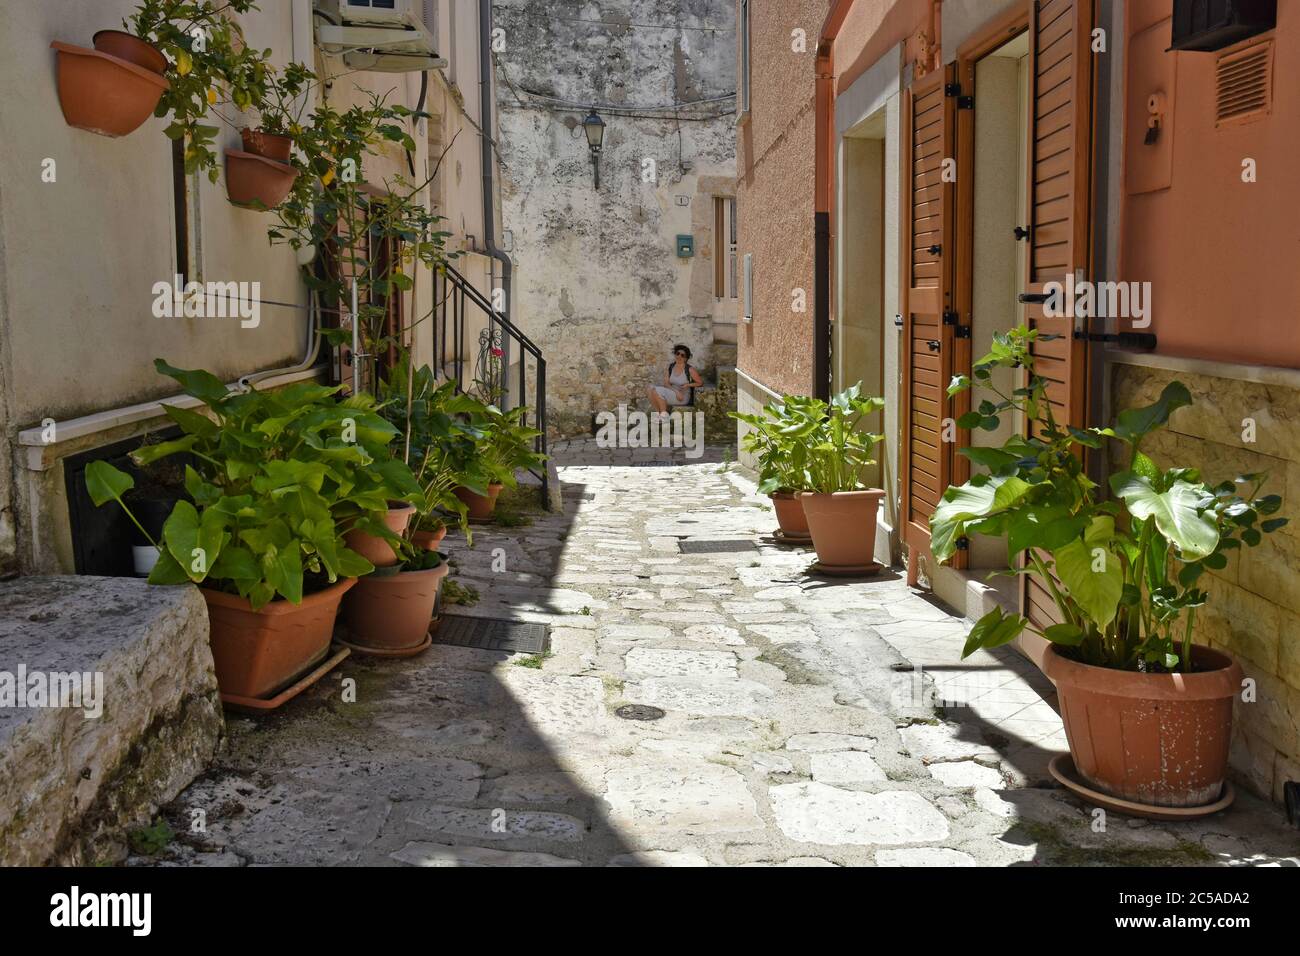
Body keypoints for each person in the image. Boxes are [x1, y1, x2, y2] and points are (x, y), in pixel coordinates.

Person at [647, 344, 704, 413]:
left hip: (682, 397)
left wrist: (688, 385)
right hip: (674, 392)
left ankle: (663, 416)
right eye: (678, 354)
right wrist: (676, 392)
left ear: (686, 359)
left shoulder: (689, 369)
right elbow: (666, 383)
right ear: (675, 355)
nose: (679, 356)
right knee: (650, 389)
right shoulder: (671, 367)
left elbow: (700, 382)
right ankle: (659, 413)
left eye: (682, 355)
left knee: (656, 391)